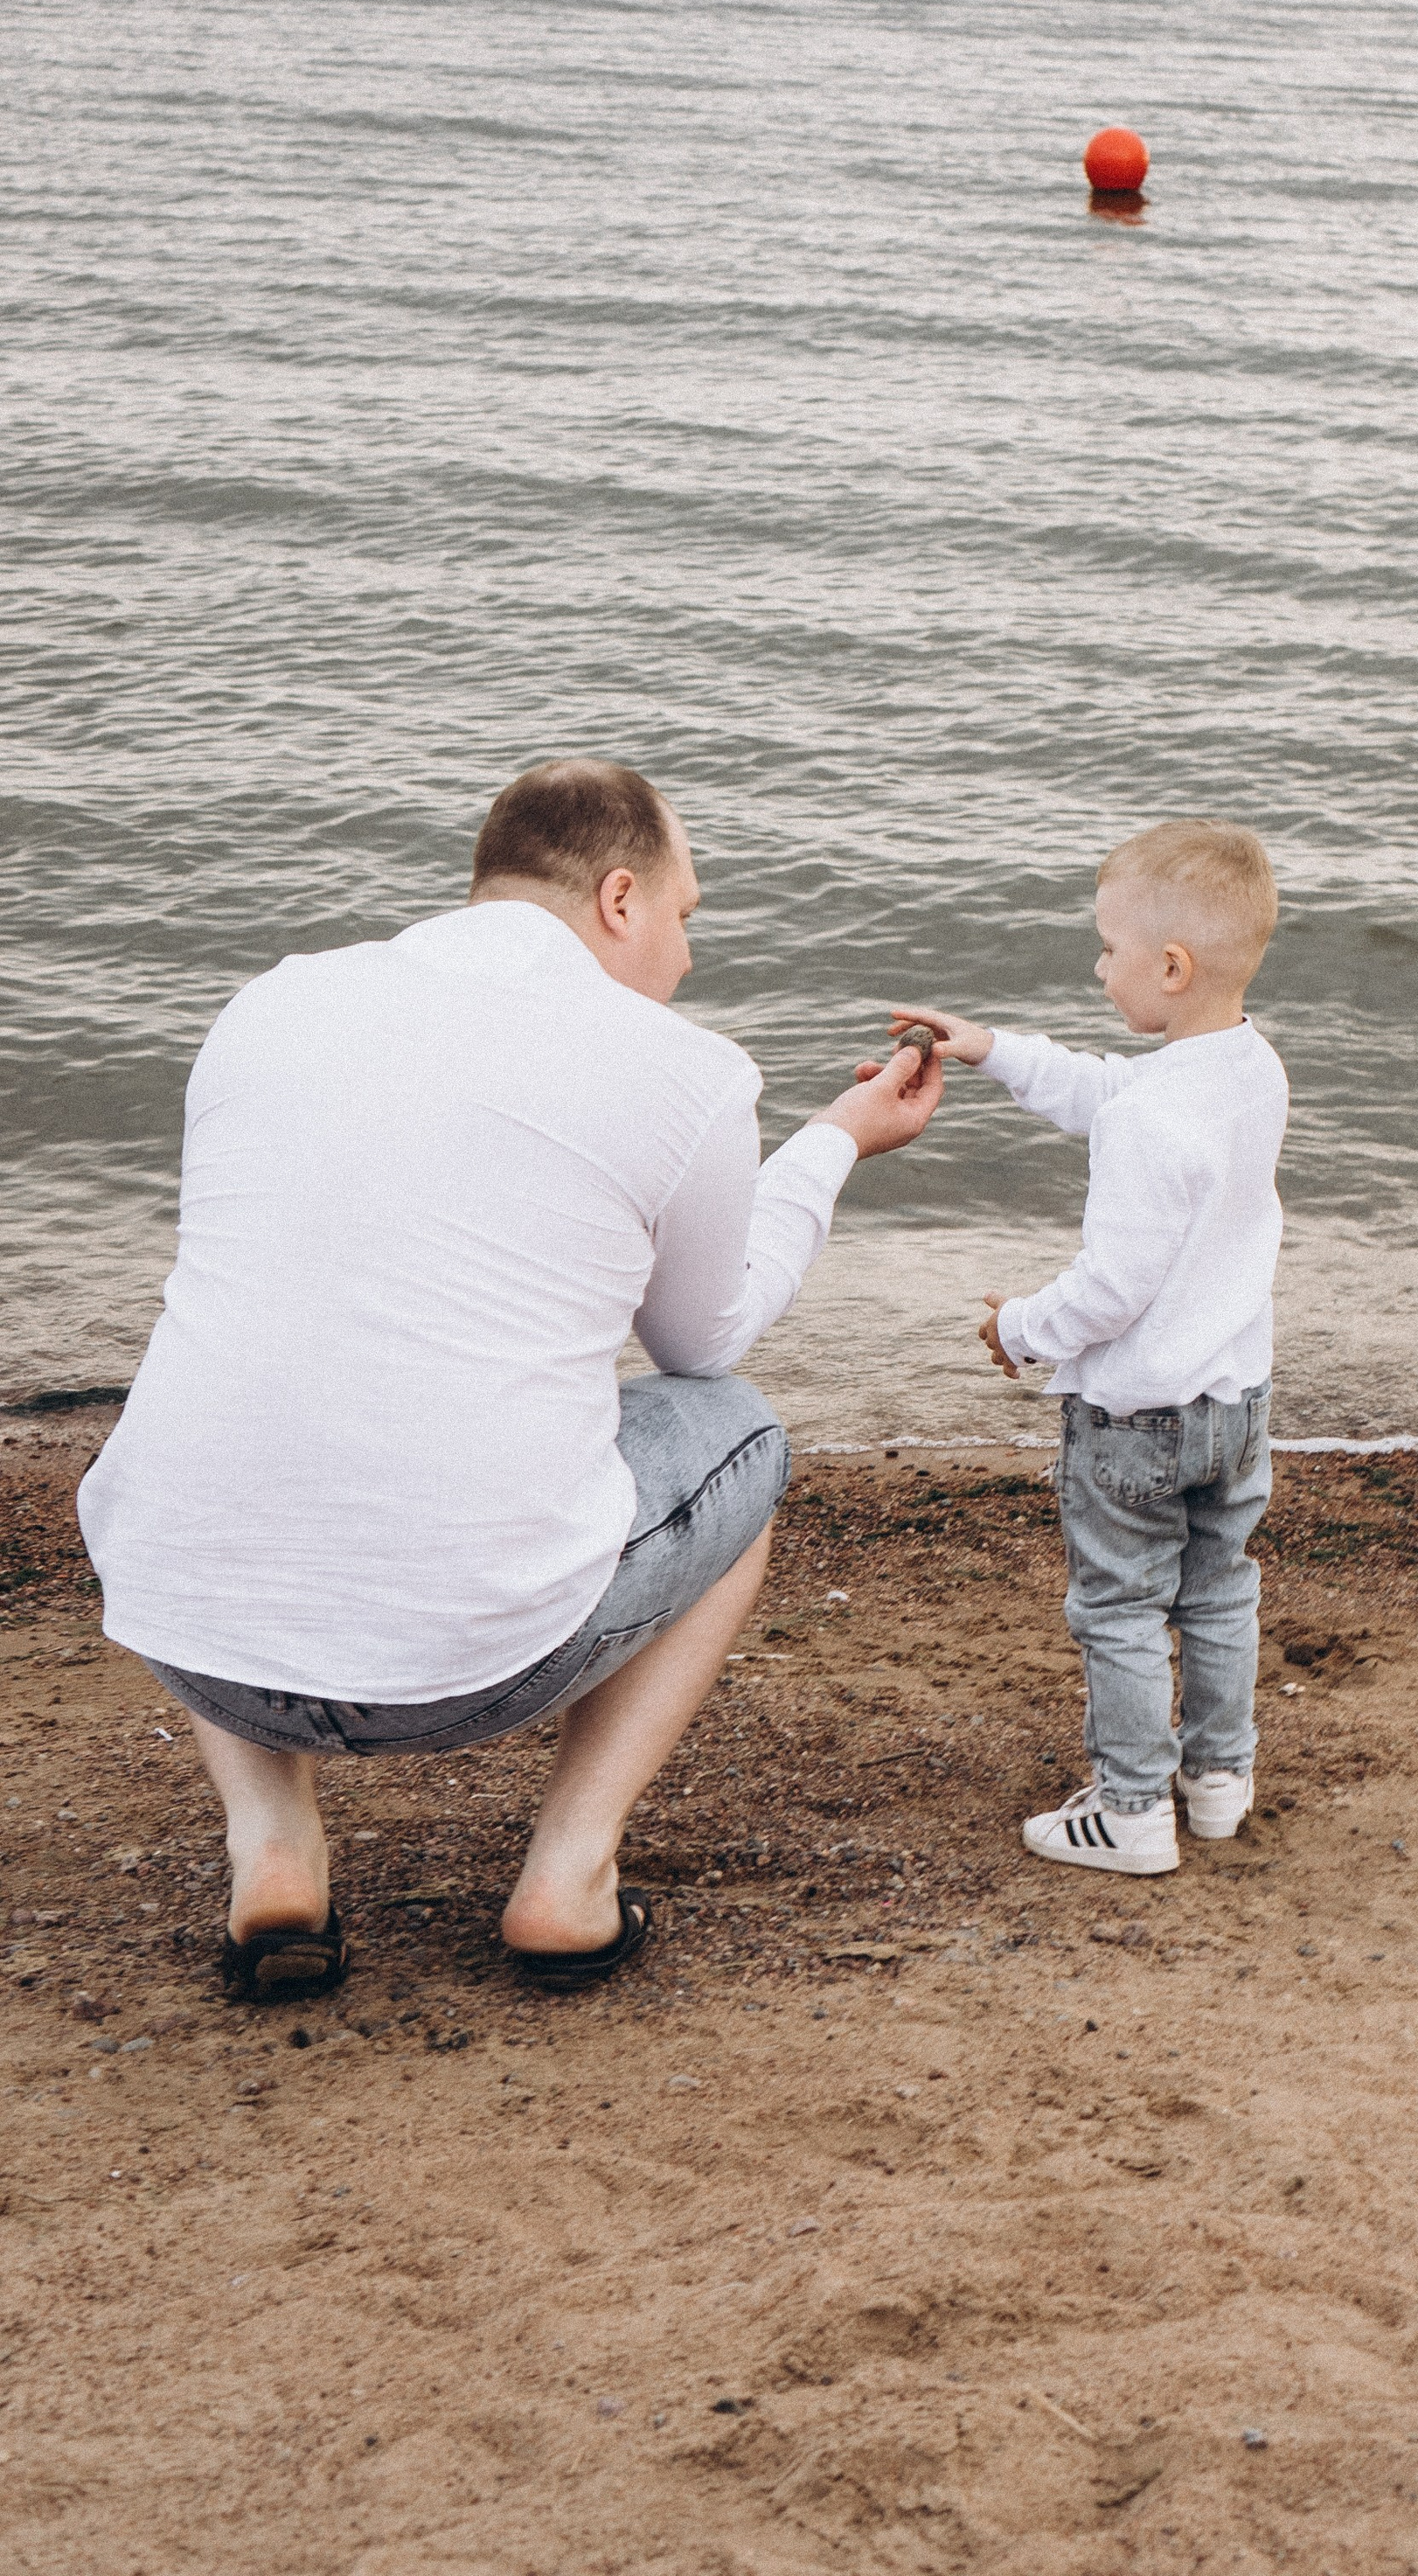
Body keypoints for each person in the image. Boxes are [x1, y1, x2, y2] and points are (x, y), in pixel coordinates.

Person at [78, 761, 942, 2000]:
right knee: (736, 1436)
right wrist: (835, 1142)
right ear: (623, 898)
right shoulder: (680, 1066)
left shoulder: (273, 1002)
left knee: (233, 1394)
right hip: (474, 1665)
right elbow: (708, 1343)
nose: (687, 958)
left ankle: (272, 1848)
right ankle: (569, 1876)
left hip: (193, 1630)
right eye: (688, 918)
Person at [893, 819, 1286, 1876]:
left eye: (1108, 948)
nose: (1097, 965)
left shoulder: (1152, 1120)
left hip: (1136, 1423)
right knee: (1218, 1590)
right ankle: (1215, 1782)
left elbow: (1111, 1291)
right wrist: (991, 1049)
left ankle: (1128, 1813)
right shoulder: (1246, 1070)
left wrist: (1017, 1327)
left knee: (1117, 1607)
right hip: (1234, 1406)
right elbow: (1111, 1093)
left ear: (1170, 966)